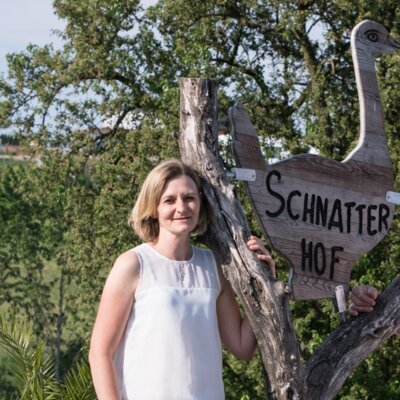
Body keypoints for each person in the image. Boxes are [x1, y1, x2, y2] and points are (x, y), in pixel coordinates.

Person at [89, 158, 275, 400]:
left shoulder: (214, 265)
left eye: (189, 198)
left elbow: (242, 346)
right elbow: (100, 352)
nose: (182, 207)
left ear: (200, 203)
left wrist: (265, 280)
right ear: (153, 208)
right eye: (169, 200)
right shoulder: (133, 264)